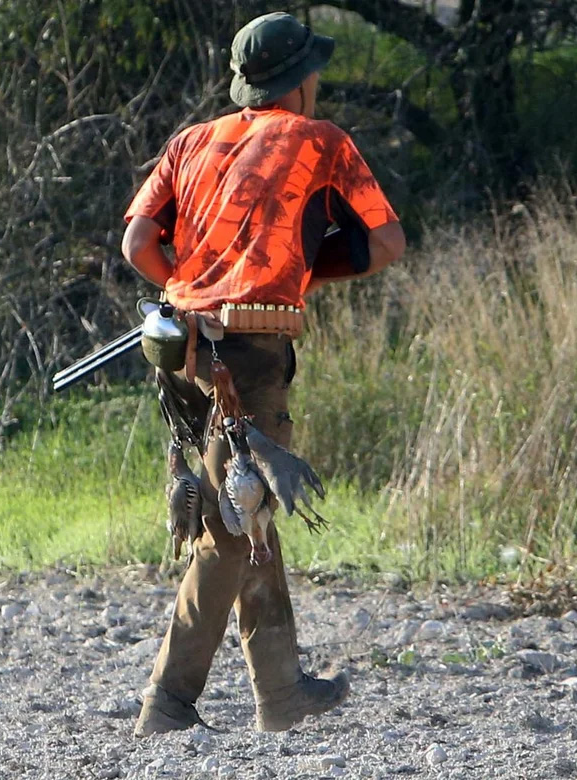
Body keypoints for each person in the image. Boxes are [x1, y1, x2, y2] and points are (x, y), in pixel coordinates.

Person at [122, 11, 406, 736]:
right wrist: (305, 271)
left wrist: (188, 282)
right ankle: (168, 701)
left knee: (245, 511)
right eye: (314, 72)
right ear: (300, 83)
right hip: (247, 352)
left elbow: (136, 241)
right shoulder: (323, 141)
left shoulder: (191, 141)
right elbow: (385, 242)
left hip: (177, 346)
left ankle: (281, 693)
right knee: (229, 525)